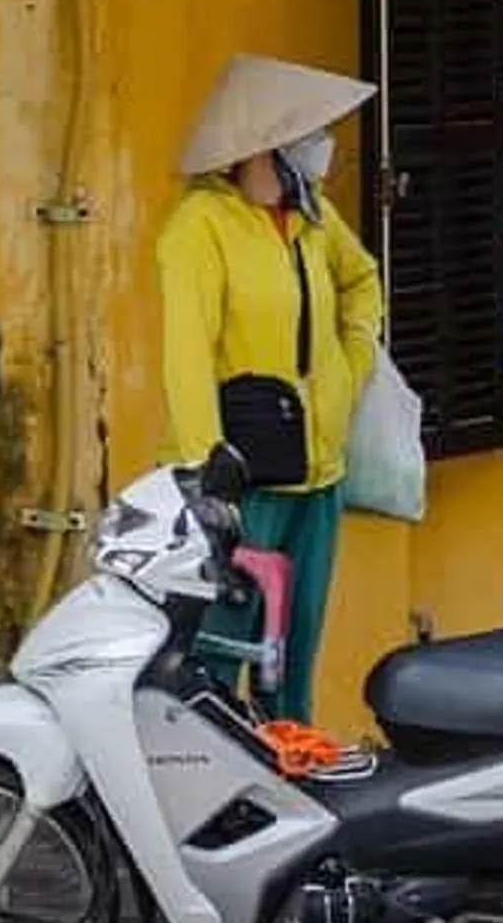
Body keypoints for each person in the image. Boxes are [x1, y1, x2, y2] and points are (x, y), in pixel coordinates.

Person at [158, 53, 387, 726]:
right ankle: (220, 788)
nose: (320, 147)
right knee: (225, 647)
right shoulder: (199, 226)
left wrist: (351, 358)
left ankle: (295, 776)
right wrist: (208, 471)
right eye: (305, 134)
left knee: (294, 653)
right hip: (243, 480)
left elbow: (362, 278)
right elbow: (187, 352)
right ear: (263, 146)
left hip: (319, 475)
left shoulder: (312, 216)